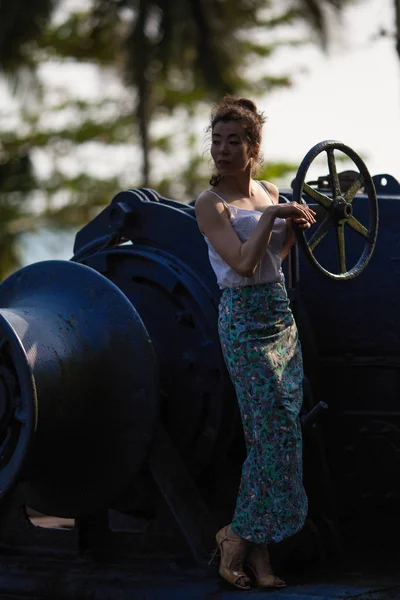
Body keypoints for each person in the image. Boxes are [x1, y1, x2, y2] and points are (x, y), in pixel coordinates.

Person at [195, 96, 316, 590]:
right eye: (216, 141)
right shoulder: (210, 203)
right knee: (273, 433)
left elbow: (275, 258)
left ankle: (259, 554)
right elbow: (242, 264)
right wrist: (274, 216)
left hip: (278, 316)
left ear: (253, 147)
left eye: (233, 141)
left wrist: (294, 224)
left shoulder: (267, 191)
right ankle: (236, 535)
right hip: (243, 320)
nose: (223, 150)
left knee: (274, 432)